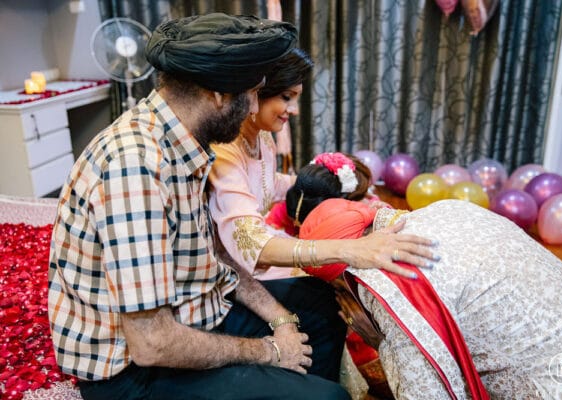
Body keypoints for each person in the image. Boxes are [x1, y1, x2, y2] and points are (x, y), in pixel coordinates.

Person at [47, 14, 351, 400]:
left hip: (195, 311)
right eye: (254, 93)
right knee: (330, 399)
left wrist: (281, 320)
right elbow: (153, 343)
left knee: (320, 303)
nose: (256, 105)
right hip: (134, 372)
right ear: (220, 95)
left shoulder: (184, 141)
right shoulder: (135, 167)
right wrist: (270, 351)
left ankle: (301, 386)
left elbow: (216, 256)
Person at [287, 157, 562, 399]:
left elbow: (426, 393)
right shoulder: (444, 209)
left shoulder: (391, 282)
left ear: (343, 275)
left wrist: (382, 343)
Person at [208, 52, 438, 282]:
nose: (295, 109)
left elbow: (268, 182)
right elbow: (252, 245)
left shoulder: (262, 137)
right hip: (238, 277)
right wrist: (350, 249)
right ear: (255, 93)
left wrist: (333, 184)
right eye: (287, 97)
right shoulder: (225, 155)